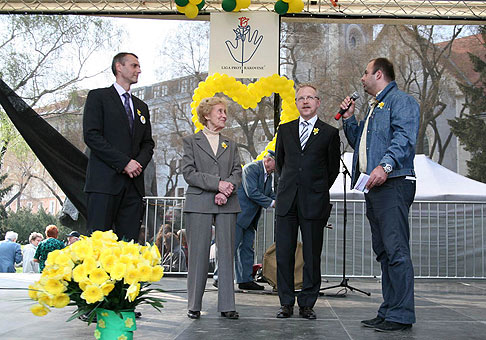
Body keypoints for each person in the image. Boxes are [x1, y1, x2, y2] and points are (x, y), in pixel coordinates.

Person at [340, 57, 420, 332]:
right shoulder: (375, 108)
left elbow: (404, 139)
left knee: (396, 250)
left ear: (379, 74)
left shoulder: (401, 102)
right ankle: (389, 309)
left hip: (393, 183)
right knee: (384, 252)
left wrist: (385, 166)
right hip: (375, 187)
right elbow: (360, 143)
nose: (361, 78)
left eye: (365, 73)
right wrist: (350, 119)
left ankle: (401, 314)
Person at [275, 83, 340, 320]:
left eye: (310, 97)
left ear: (318, 102)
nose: (305, 101)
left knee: (312, 256)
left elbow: (332, 169)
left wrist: (316, 189)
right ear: (296, 103)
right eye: (301, 98)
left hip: (314, 202)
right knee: (284, 254)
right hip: (287, 201)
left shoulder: (329, 133)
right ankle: (285, 302)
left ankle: (307, 303)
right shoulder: (285, 130)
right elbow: (281, 164)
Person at [83, 52, 154, 242]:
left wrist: (137, 164)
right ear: (119, 67)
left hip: (133, 186)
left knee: (129, 243)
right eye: (134, 65)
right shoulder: (98, 97)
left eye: (138, 66)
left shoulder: (141, 107)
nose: (139, 70)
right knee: (98, 243)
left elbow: (148, 143)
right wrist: (124, 163)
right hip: (104, 184)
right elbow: (91, 135)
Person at [182, 96, 242, 320]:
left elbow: (238, 172)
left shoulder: (231, 144)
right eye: (220, 111)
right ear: (206, 115)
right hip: (199, 202)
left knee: (226, 254)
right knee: (198, 254)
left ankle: (227, 305)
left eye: (225, 112)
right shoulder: (191, 141)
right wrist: (217, 184)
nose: (224, 115)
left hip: (227, 203)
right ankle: (194, 305)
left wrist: (225, 190)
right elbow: (189, 173)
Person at [234, 150, 276, 290]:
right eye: (277, 163)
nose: (277, 167)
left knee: (247, 248)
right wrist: (271, 203)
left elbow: (269, 193)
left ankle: (245, 279)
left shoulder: (268, 176)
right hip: (239, 215)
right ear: (268, 160)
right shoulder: (251, 168)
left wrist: (282, 200)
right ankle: (219, 278)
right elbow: (251, 192)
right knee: (230, 248)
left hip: (250, 218)